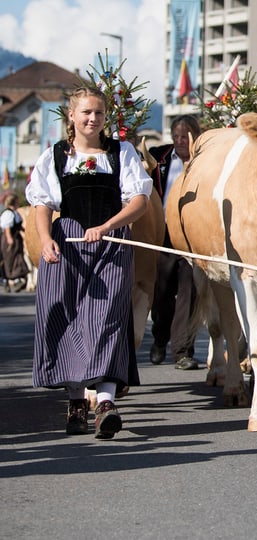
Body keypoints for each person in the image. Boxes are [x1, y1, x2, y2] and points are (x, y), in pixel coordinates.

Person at [26, 86, 152, 439]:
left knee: (107, 317)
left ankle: (107, 402)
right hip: (67, 242)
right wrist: (46, 240)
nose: (92, 118)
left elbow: (139, 200)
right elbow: (42, 205)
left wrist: (108, 226)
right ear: (71, 116)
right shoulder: (54, 156)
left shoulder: (121, 153)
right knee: (65, 316)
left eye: (98, 113)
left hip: (111, 243)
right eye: (85, 113)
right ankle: (76, 401)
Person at [149, 115, 203, 369]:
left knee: (189, 292)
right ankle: (160, 338)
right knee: (161, 292)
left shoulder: (204, 161)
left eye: (186, 136)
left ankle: (183, 350)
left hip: (193, 234)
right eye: (177, 136)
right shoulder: (158, 156)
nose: (181, 141)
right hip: (164, 233)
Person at [1, 192, 29, 292]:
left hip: (17, 239)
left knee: (18, 258)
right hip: (10, 239)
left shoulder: (15, 213)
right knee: (9, 259)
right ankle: (8, 280)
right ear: (14, 202)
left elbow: (19, 226)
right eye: (17, 201)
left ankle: (19, 280)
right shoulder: (8, 213)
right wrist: (9, 239)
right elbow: (7, 228)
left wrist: (27, 231)